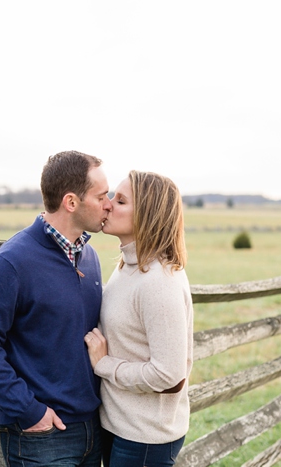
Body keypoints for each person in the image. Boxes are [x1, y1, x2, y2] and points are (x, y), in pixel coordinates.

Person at [0, 150, 112, 467]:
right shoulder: (11, 263)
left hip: (92, 429)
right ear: (71, 202)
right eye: (102, 196)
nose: (109, 204)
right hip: (40, 438)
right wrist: (29, 410)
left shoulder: (90, 257)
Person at [85, 170, 194, 467]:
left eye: (120, 201)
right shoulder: (127, 267)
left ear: (146, 215)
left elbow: (169, 376)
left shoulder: (159, 281)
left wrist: (104, 365)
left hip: (144, 437)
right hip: (119, 425)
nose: (107, 205)